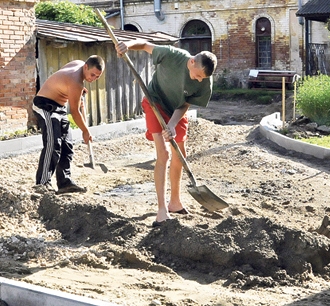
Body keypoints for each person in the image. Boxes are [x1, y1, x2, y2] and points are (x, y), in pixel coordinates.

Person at [114, 40, 217, 225]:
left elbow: (186, 103)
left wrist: (172, 124)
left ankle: (175, 202)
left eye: (203, 78)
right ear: (192, 61)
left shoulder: (205, 82)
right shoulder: (171, 55)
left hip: (176, 109)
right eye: (199, 75)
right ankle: (161, 210)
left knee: (180, 153)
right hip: (155, 102)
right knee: (164, 154)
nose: (200, 80)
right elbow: (145, 45)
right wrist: (127, 46)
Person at [33, 55, 104, 194]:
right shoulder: (76, 82)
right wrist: (85, 131)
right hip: (45, 105)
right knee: (53, 144)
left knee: (67, 145)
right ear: (85, 67)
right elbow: (75, 112)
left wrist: (75, 93)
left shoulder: (78, 64)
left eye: (97, 77)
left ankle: (64, 182)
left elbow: (63, 79)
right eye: (92, 74)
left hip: (60, 107)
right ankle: (42, 183)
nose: (93, 79)